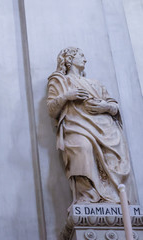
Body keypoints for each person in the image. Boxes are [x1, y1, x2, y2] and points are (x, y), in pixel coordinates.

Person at [47, 47, 137, 205]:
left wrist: (106, 107)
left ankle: (115, 198)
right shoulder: (59, 81)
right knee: (82, 147)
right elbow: (52, 109)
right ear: (69, 59)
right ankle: (88, 195)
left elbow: (114, 106)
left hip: (105, 128)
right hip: (76, 126)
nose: (85, 59)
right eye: (81, 55)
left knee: (112, 157)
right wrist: (68, 96)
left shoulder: (95, 83)